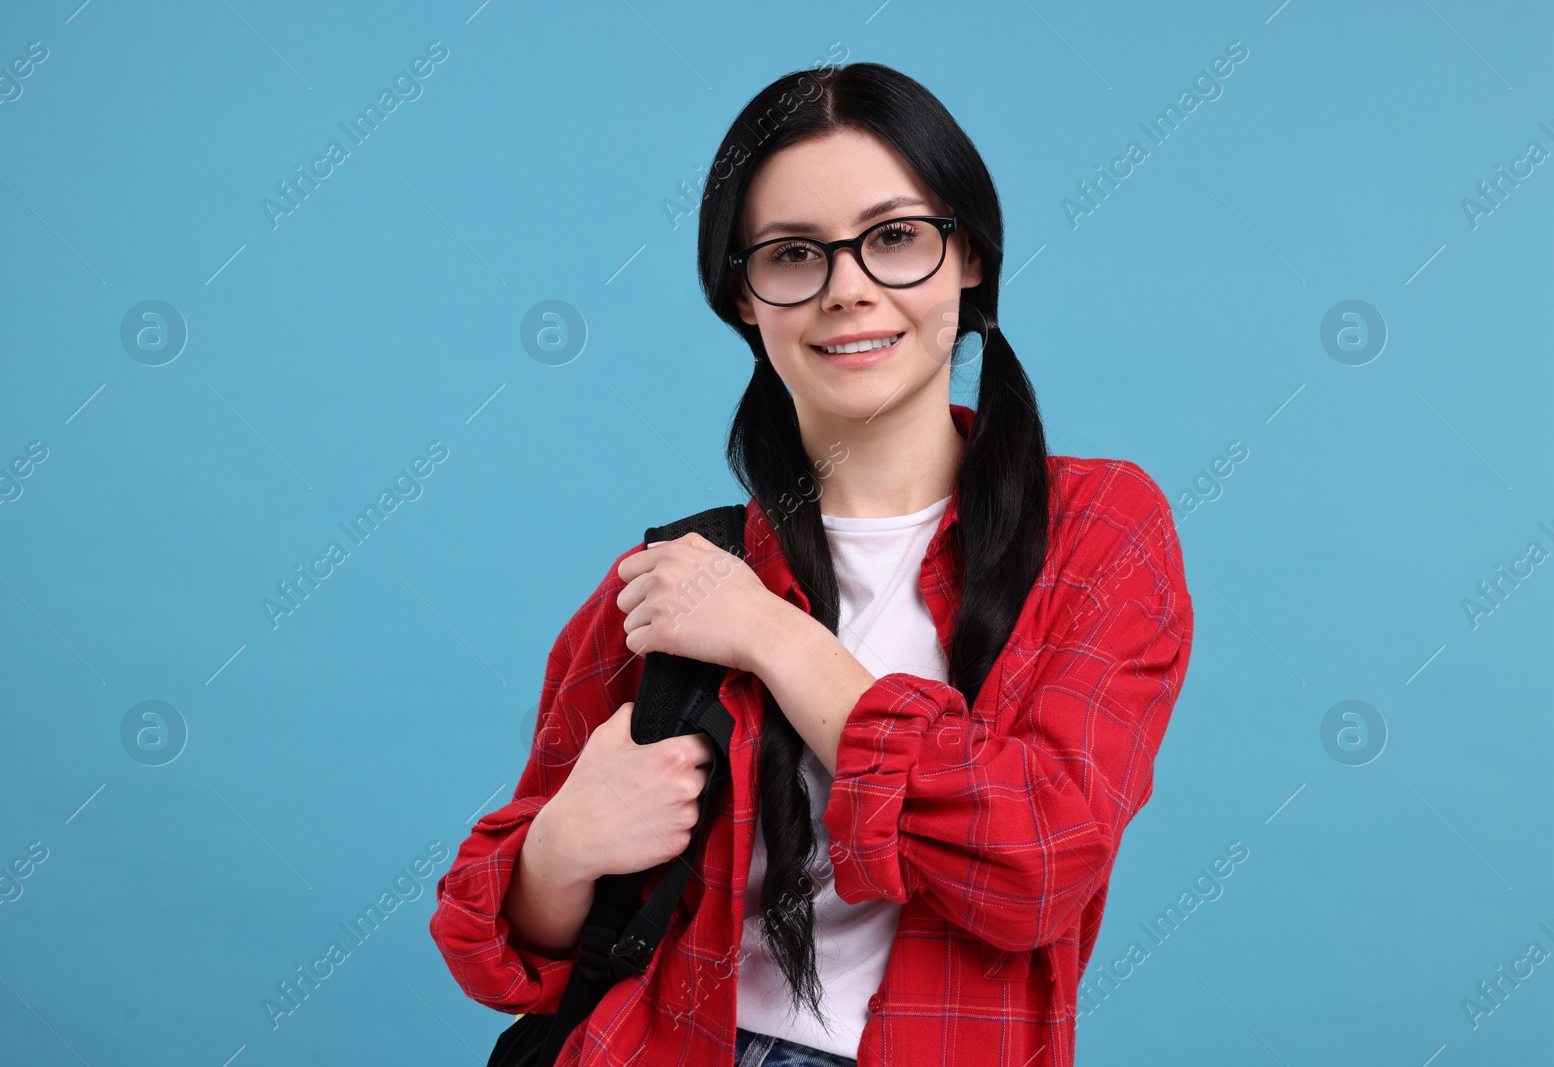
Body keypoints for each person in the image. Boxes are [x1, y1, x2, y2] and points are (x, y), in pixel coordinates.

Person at [430, 61, 1194, 1067]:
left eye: (893, 238)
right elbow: (503, 950)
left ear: (967, 256)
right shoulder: (679, 573)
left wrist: (770, 635)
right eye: (794, 254)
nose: (847, 289)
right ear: (743, 298)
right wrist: (566, 843)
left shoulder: (1097, 529)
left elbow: (1036, 864)